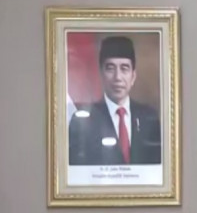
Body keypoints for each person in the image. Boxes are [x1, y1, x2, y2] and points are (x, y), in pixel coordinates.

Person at [68, 35, 162, 165]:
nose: (118, 77)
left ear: (133, 76)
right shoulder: (83, 121)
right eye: (110, 68)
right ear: (101, 74)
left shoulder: (149, 118)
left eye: (124, 68)